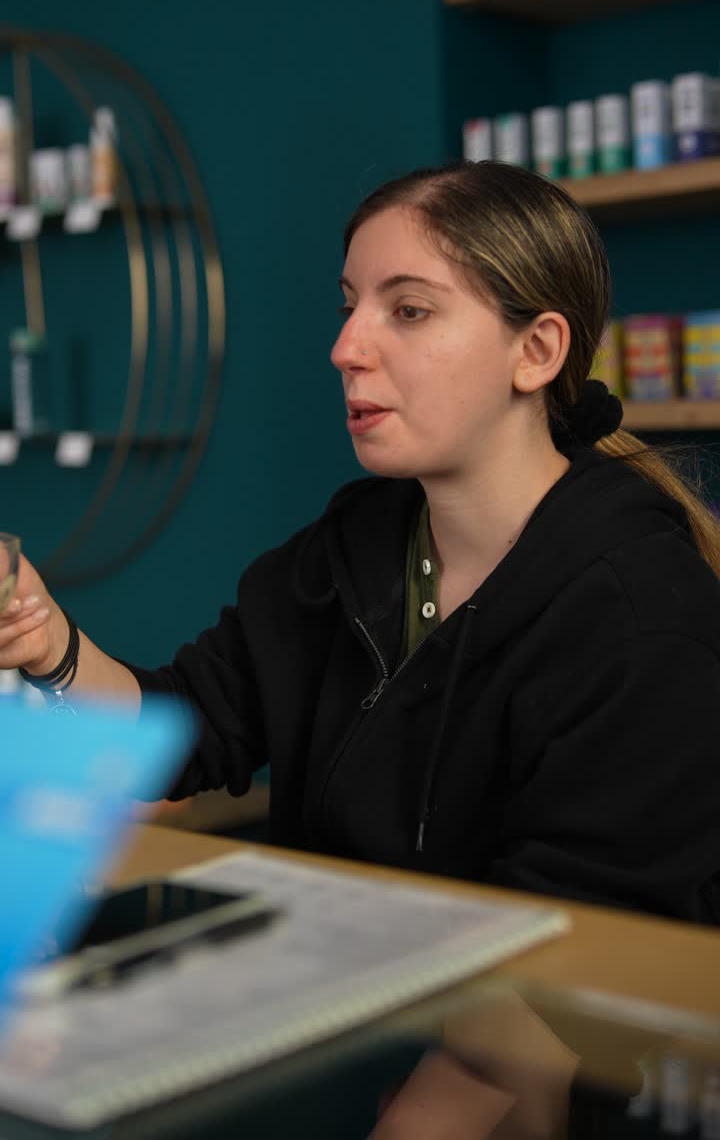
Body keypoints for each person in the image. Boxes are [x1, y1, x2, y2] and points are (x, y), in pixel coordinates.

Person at [2, 160, 720, 924]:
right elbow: (180, 728)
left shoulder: (641, 618)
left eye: (408, 310)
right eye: (349, 307)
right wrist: (48, 642)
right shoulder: (351, 550)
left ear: (536, 351)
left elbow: (565, 985)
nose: (347, 348)